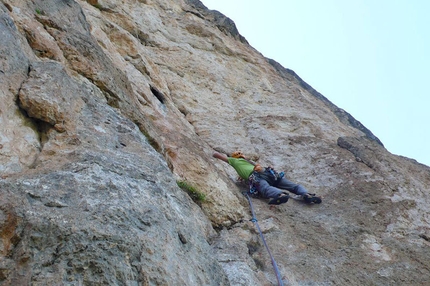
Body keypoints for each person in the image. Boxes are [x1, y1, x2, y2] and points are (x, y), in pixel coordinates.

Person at [213, 151, 322, 205]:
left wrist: (214, 155)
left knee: (265, 188)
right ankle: (305, 194)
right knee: (293, 186)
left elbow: (217, 154)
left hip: (256, 176)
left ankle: (280, 195)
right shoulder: (250, 162)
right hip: (268, 172)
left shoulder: (234, 160)